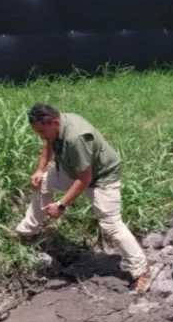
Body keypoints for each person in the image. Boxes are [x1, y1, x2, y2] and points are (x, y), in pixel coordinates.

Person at [13, 102, 153, 292]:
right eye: (39, 132)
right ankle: (28, 231)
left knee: (110, 224)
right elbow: (48, 144)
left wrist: (61, 205)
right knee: (44, 182)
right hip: (74, 169)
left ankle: (141, 270)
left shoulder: (76, 137)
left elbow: (84, 180)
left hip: (102, 177)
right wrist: (39, 170)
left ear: (54, 122)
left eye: (43, 131)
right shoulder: (56, 126)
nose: (42, 136)